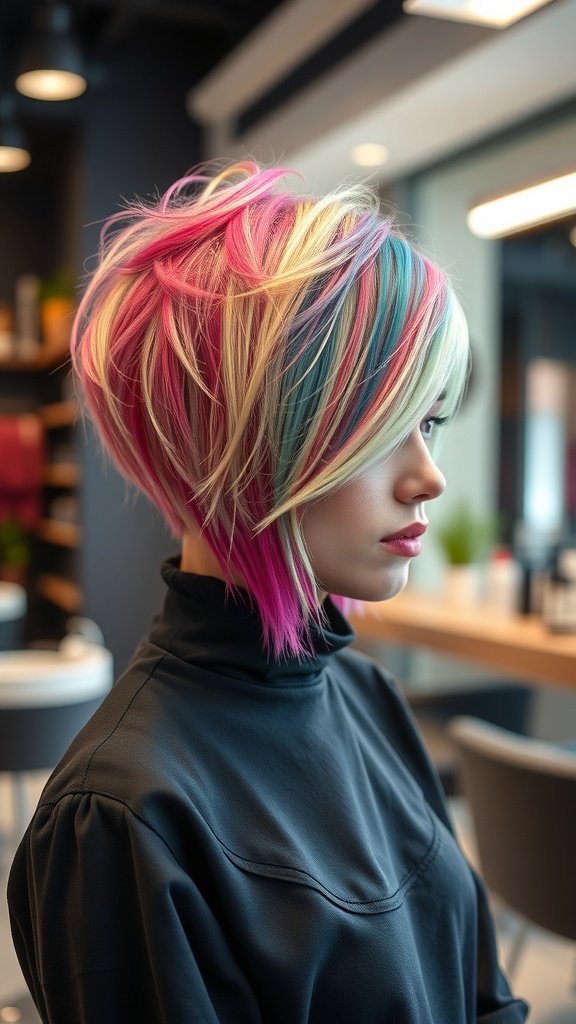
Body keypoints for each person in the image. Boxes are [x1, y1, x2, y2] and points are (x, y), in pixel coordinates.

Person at [8, 162, 528, 1023]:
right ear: (245, 433)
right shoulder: (124, 814)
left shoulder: (368, 697)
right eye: (382, 426)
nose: (428, 478)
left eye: (429, 422)